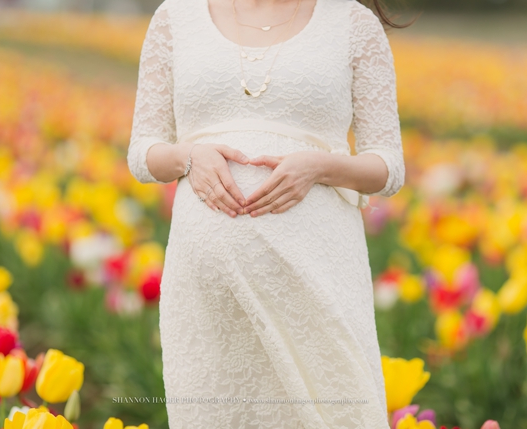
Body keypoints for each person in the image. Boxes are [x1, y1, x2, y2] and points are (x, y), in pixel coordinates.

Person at [127, 0, 407, 426]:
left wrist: (320, 167)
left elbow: (389, 166)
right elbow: (142, 152)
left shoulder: (352, 23)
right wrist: (189, 157)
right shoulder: (175, 17)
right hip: (207, 302)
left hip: (318, 281)